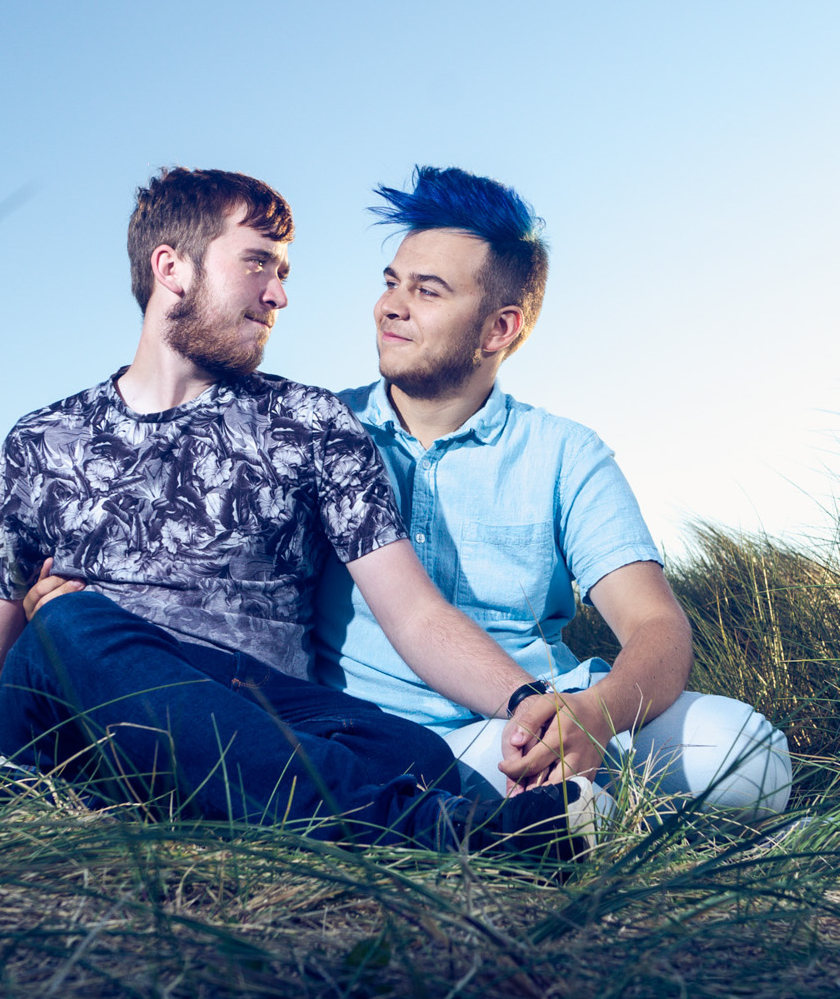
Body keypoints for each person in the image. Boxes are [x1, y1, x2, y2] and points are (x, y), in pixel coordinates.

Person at [0, 167, 611, 858]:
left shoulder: (312, 423)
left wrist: (532, 697)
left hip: (256, 711)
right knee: (71, 625)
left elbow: (413, 612)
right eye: (259, 263)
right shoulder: (44, 442)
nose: (280, 294)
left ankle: (43, 802)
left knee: (409, 749)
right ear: (172, 267)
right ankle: (444, 838)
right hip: (77, 697)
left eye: (286, 272)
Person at [311, 167, 792, 814]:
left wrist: (595, 713)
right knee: (526, 789)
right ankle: (605, 821)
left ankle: (601, 812)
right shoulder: (317, 431)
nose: (390, 306)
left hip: (558, 714)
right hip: (389, 738)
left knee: (748, 754)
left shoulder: (564, 452)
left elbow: (655, 624)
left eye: (427, 291)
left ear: (498, 330)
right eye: (392, 283)